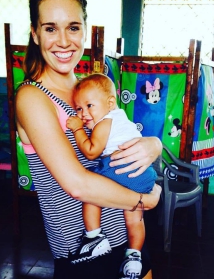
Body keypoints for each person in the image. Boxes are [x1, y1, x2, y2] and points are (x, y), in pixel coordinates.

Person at [15, 0, 162, 278]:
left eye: (72, 27)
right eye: (50, 28)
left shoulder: (87, 89)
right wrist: (145, 199)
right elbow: (78, 184)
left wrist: (153, 145)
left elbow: (120, 136)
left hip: (128, 236)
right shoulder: (32, 97)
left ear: (84, 29)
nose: (64, 41)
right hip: (83, 251)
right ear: (34, 33)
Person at [66, 73, 157, 277]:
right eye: (79, 108)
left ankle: (94, 238)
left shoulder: (105, 122)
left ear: (110, 103)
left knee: (90, 193)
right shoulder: (121, 117)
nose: (83, 114)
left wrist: (78, 130)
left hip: (119, 167)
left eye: (90, 106)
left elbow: (91, 151)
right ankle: (134, 258)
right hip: (142, 174)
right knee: (134, 220)